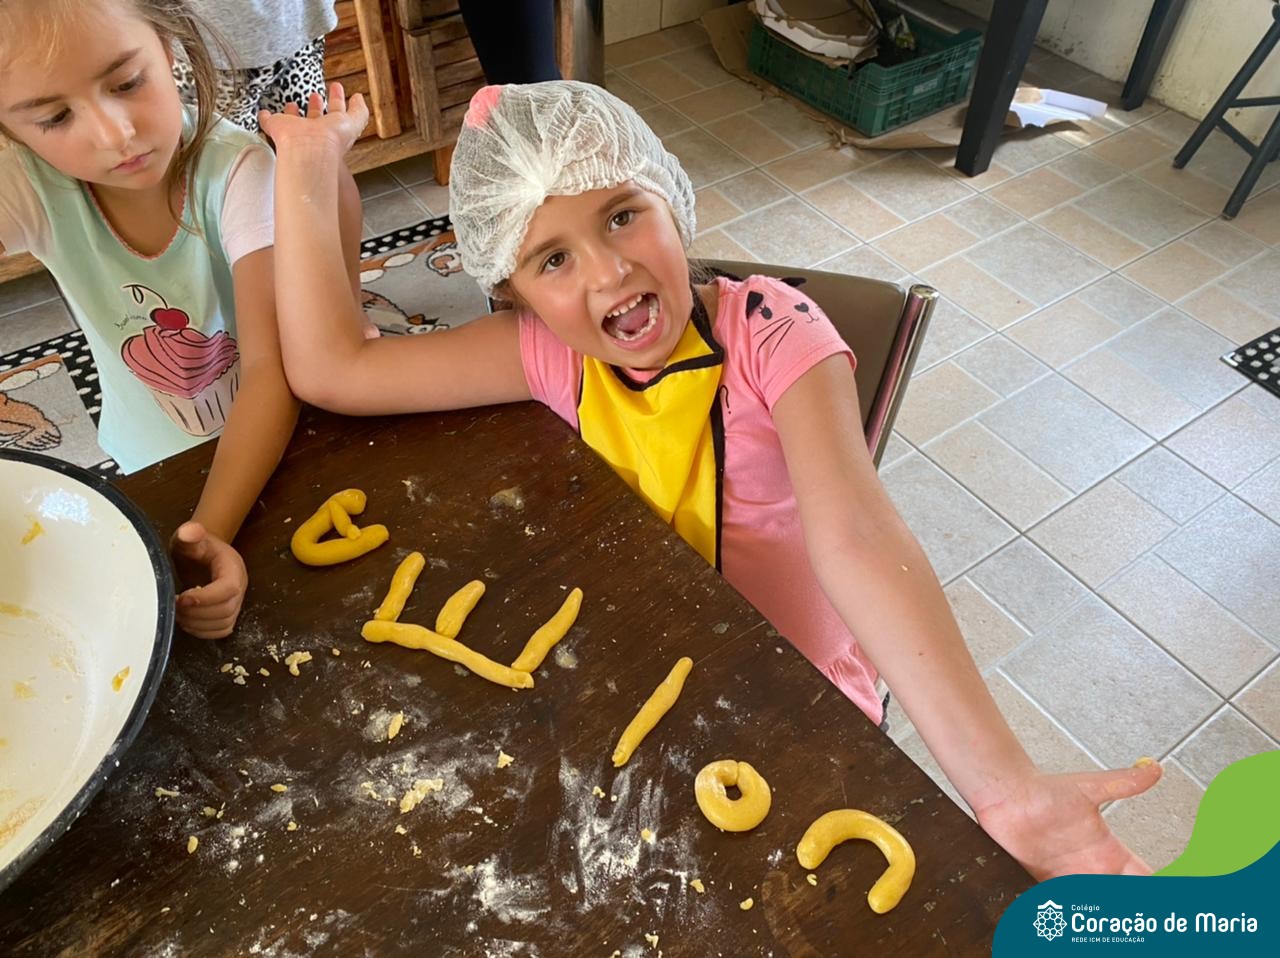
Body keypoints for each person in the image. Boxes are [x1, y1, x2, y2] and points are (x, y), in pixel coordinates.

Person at [261, 80, 1163, 881]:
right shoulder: (547, 354)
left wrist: (1004, 788)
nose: (609, 270)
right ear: (514, 293)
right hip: (644, 685)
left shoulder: (774, 333)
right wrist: (308, 168)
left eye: (623, 214)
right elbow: (334, 368)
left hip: (797, 703)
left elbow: (857, 542)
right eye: (553, 259)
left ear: (672, 196)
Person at [0, 0, 315, 639]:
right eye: (55, 117)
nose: (115, 134)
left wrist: (207, 534)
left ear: (169, 49)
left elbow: (269, 369)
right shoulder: (28, 184)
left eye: (126, 82)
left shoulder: (240, 172)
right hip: (144, 460)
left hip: (279, 454)